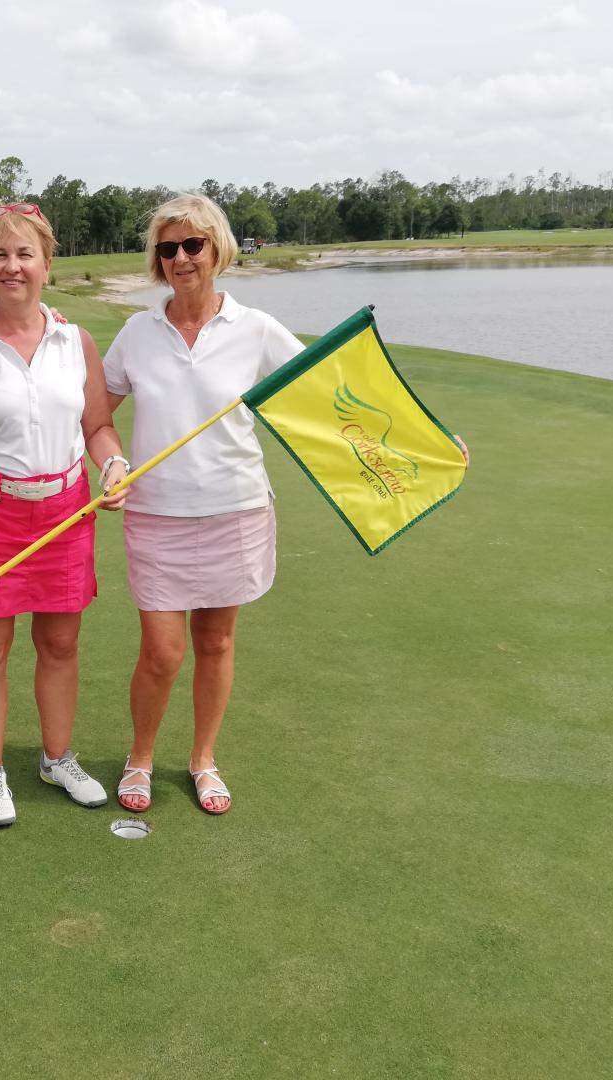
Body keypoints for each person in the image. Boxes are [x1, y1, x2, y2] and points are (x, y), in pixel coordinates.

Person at [106, 194, 467, 815]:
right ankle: (140, 757)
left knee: (216, 644)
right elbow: (95, 415)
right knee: (161, 652)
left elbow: (331, 401)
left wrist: (427, 443)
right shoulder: (138, 333)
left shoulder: (256, 328)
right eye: (167, 249)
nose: (181, 258)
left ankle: (203, 760)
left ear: (217, 249)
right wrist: (112, 460)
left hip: (235, 509)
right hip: (158, 515)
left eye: (193, 245)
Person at [0, 202, 130, 828]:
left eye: (25, 254)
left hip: (66, 513)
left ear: (47, 263)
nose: (12, 266)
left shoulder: (76, 341)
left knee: (61, 642)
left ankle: (56, 758)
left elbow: (96, 426)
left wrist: (114, 464)